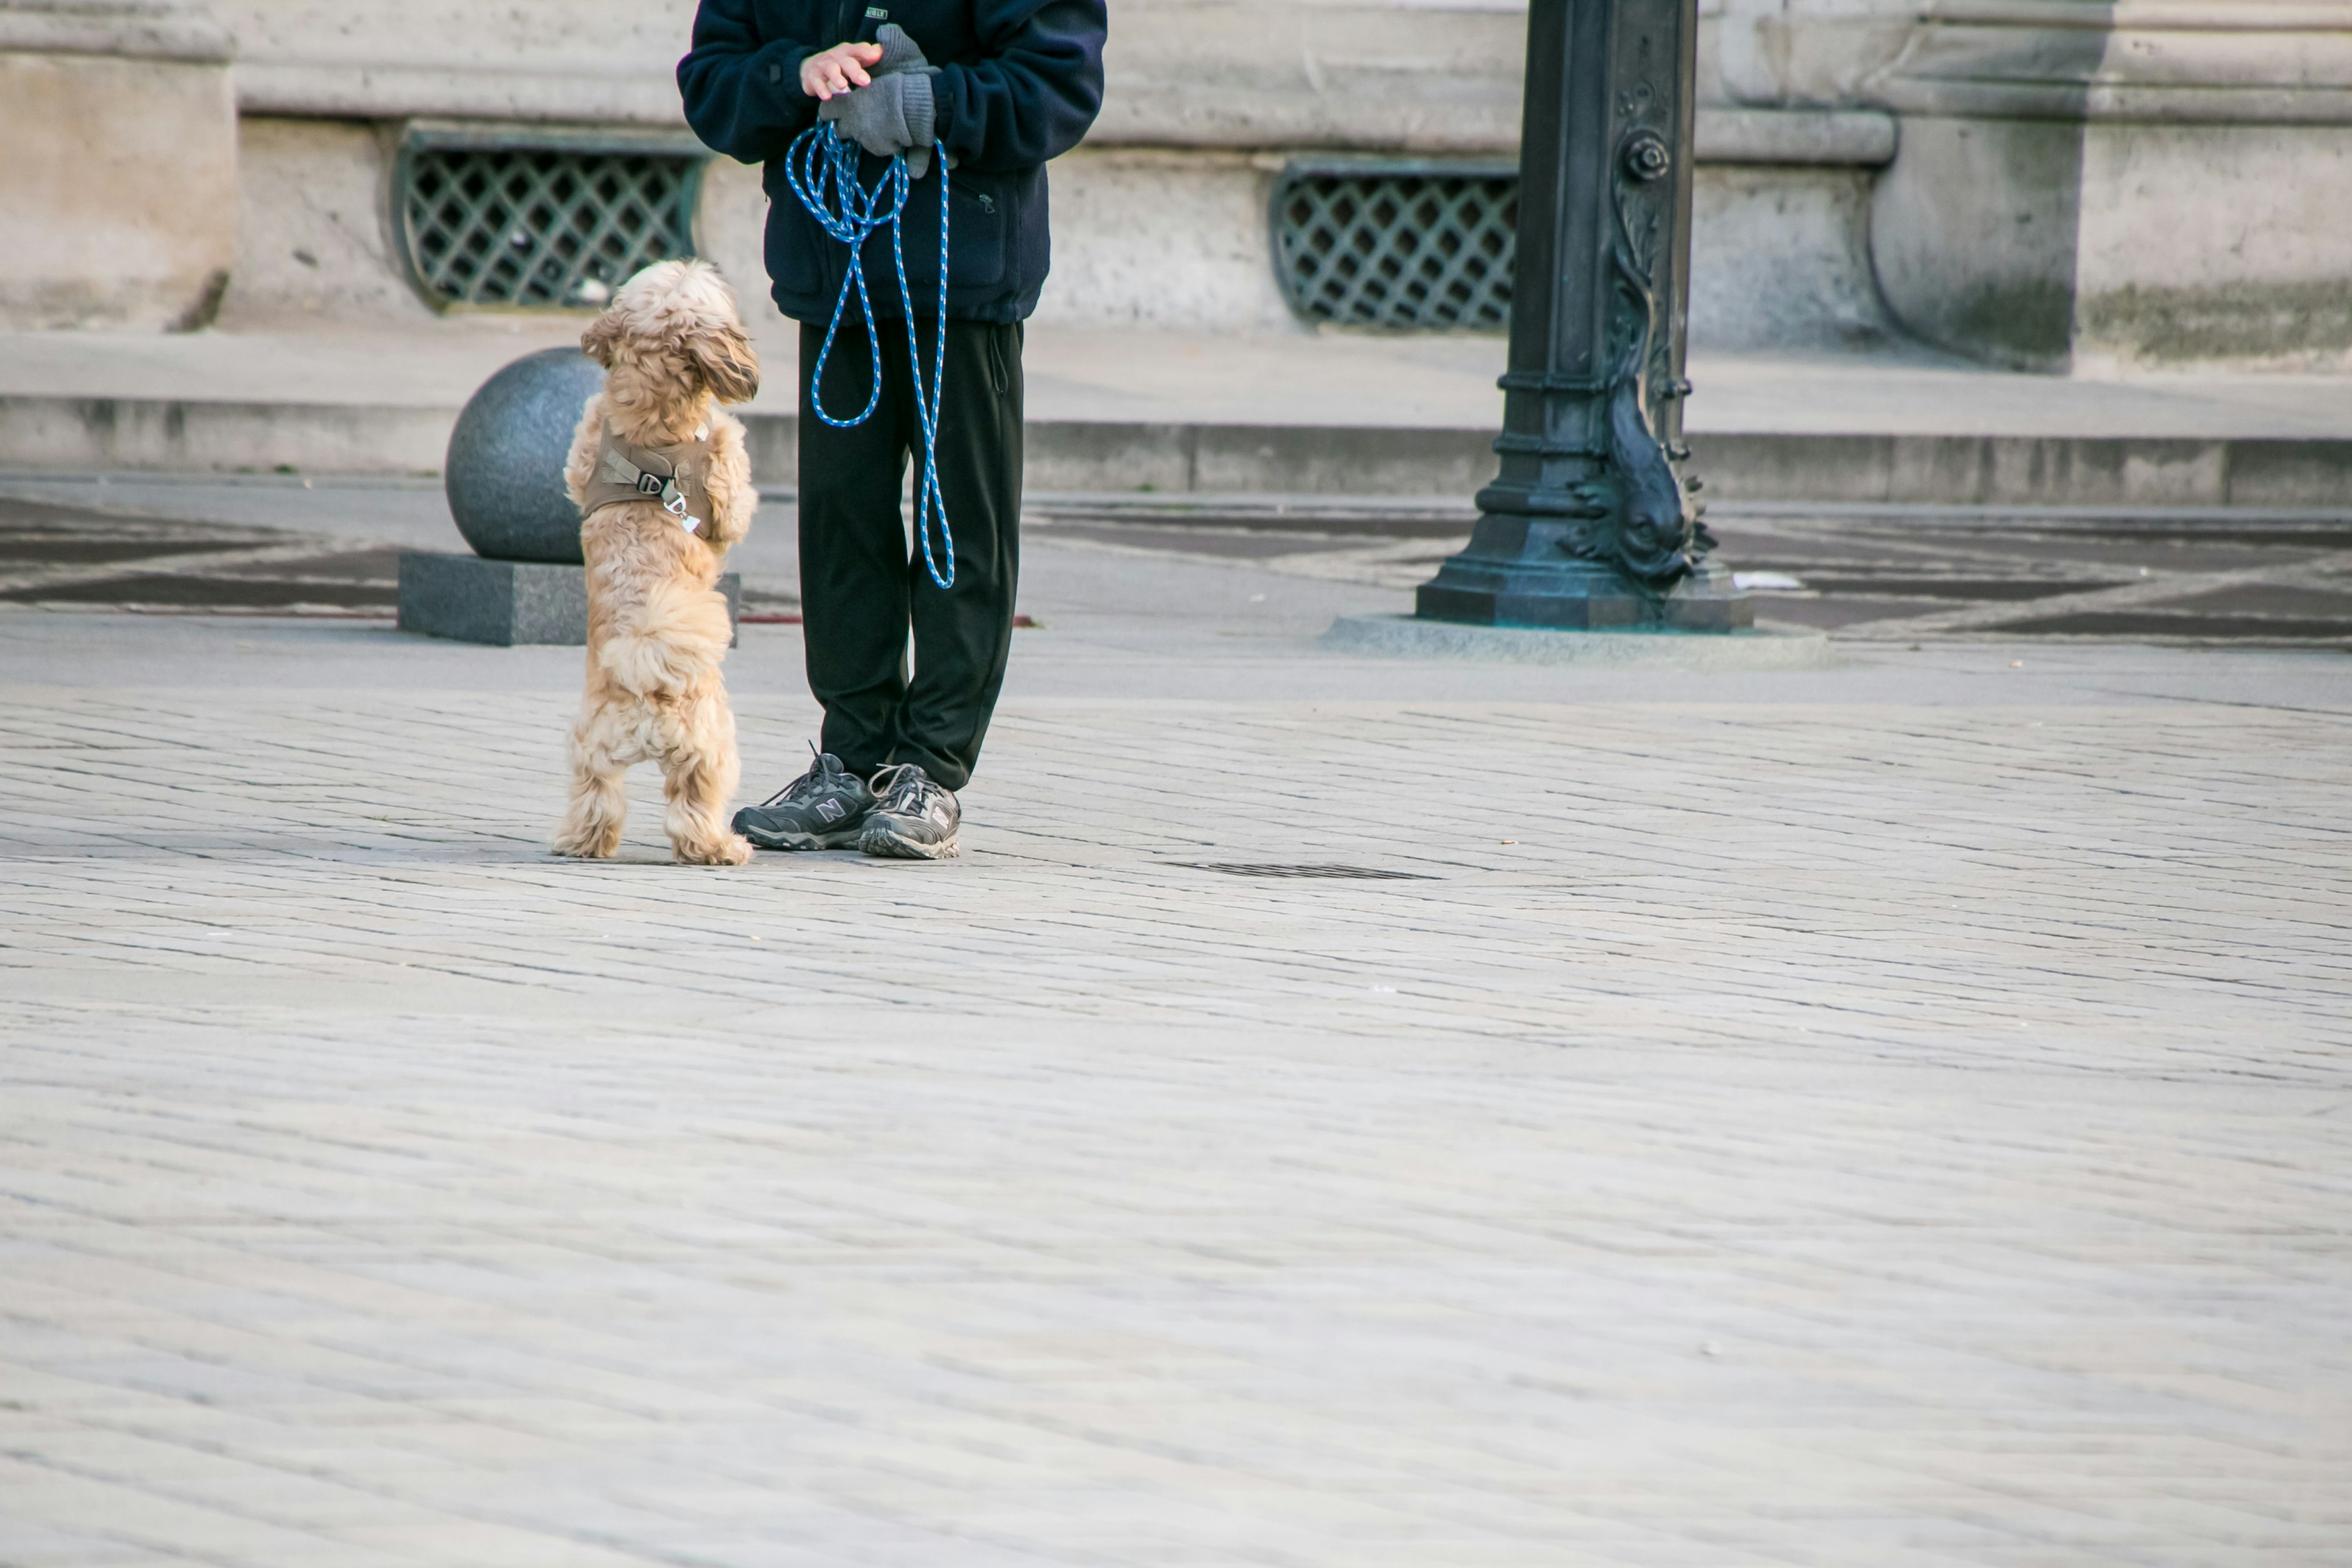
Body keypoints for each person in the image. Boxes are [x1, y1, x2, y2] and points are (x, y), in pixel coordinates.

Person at [679, 0, 1107, 860]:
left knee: (959, 527)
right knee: (842, 519)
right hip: (835, 268)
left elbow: (1061, 81)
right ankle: (852, 754)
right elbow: (713, 81)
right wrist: (795, 74)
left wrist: (932, 104)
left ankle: (932, 766)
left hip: (966, 273)